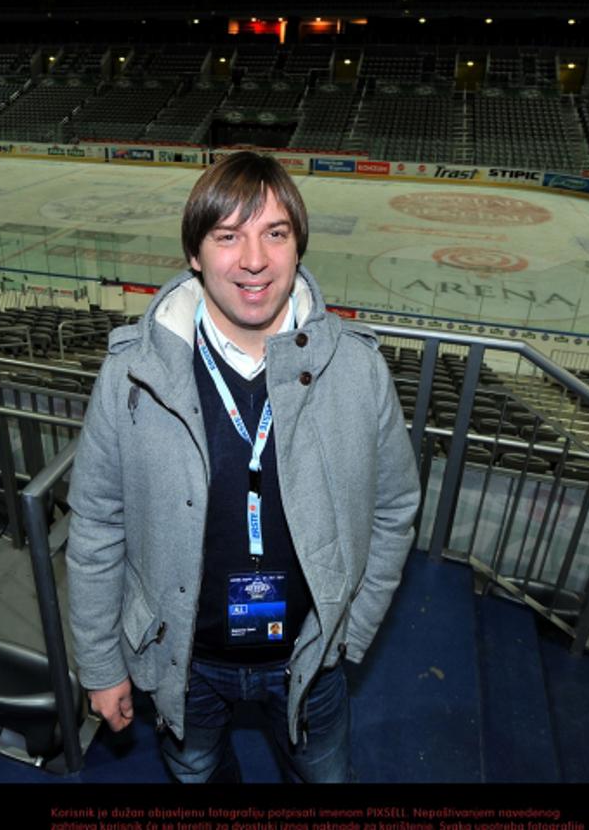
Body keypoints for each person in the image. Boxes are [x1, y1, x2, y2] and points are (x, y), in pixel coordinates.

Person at [67, 151, 421, 783]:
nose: (253, 260)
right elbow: (96, 526)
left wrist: (350, 628)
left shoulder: (359, 370)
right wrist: (100, 665)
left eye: (274, 234)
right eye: (227, 236)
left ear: (297, 248)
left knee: (324, 778)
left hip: (311, 659)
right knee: (199, 774)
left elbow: (395, 509)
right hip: (185, 661)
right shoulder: (130, 373)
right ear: (196, 255)